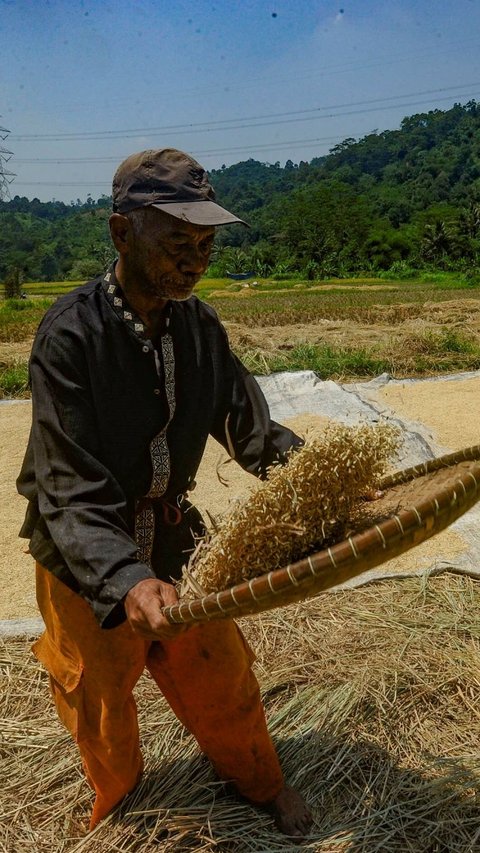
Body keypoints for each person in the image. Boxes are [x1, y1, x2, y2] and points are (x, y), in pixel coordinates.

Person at [17, 148, 313, 839]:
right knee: (101, 707)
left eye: (206, 245)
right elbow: (67, 485)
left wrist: (323, 481)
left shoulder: (201, 330)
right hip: (82, 557)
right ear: (123, 234)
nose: (195, 260)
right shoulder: (70, 336)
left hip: (177, 539)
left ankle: (260, 783)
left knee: (224, 679)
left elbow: (255, 433)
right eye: (178, 242)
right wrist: (125, 578)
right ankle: (118, 805)